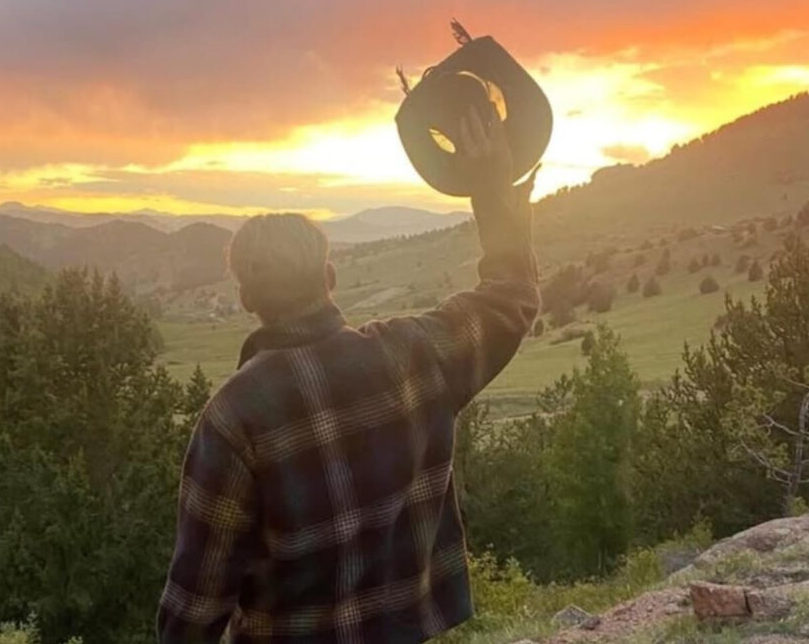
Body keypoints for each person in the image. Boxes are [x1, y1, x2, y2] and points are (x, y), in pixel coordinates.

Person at [156, 105, 540, 643]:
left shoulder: (232, 417)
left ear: (246, 298)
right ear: (330, 277)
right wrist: (491, 186)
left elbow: (193, 610)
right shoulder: (415, 352)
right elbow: (512, 296)